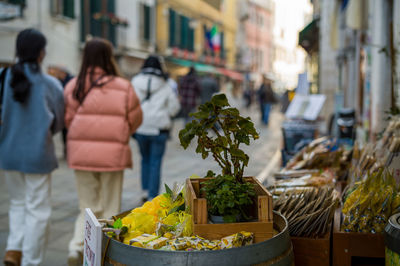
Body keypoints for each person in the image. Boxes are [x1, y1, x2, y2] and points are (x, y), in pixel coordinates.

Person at [64, 38, 142, 265]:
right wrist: (120, 133)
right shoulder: (123, 85)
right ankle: (106, 253)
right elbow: (135, 119)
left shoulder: (73, 85)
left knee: (86, 206)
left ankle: (77, 247)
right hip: (112, 157)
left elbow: (69, 120)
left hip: (81, 155)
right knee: (110, 208)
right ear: (109, 57)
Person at [0, 28, 64, 266]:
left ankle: (13, 249)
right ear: (40, 53)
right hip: (38, 153)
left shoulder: (3, 77)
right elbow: (59, 120)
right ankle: (30, 260)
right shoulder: (51, 84)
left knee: (17, 203)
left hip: (8, 152)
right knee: (38, 210)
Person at [131, 55, 180, 201]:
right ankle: (152, 194)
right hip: (159, 128)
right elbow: (174, 107)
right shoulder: (165, 84)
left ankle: (145, 190)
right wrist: (165, 114)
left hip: (140, 127)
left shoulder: (134, 82)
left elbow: (130, 103)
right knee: (155, 161)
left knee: (144, 159)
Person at [48, 65, 74, 157]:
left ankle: (69, 151)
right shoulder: (59, 81)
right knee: (64, 134)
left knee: (70, 133)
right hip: (63, 111)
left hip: (69, 111)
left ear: (62, 72)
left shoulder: (72, 81)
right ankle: (66, 151)